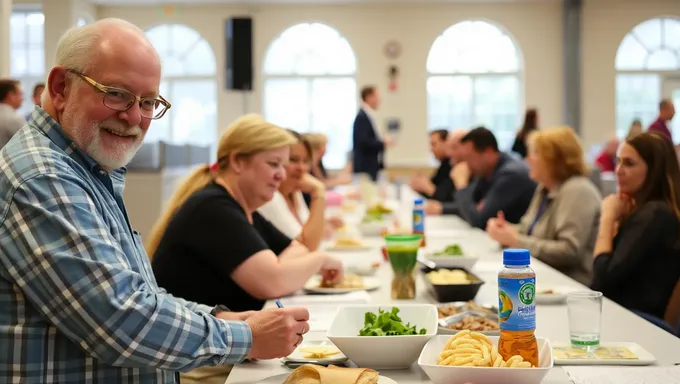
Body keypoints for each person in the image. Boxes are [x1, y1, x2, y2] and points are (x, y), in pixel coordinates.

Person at [0, 19, 310, 382]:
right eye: (115, 93)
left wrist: (220, 319)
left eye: (148, 102)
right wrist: (248, 337)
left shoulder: (87, 170)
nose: (133, 117)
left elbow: (140, 295)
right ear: (60, 87)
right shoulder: (44, 178)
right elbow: (120, 320)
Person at [487, 127, 601, 285]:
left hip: (569, 284)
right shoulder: (545, 188)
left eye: (535, 153)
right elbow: (529, 229)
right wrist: (506, 229)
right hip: (545, 277)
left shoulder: (577, 190)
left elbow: (569, 251)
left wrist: (515, 240)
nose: (528, 159)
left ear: (555, 159)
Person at [591, 132, 680, 319]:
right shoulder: (647, 210)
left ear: (654, 171)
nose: (618, 170)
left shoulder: (655, 214)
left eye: (629, 163)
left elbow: (602, 280)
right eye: (618, 161)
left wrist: (607, 219)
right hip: (624, 315)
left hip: (636, 322)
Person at [257, 130, 335, 250]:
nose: (301, 168)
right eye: (293, 160)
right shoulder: (270, 198)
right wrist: (319, 192)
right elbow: (307, 248)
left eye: (305, 161)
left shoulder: (295, 191)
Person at [453, 127, 536, 229]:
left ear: (488, 152)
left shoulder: (511, 174)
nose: (466, 164)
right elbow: (470, 207)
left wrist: (461, 186)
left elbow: (479, 221)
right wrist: (442, 209)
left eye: (470, 157)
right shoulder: (486, 170)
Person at [352, 85, 394, 181]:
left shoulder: (368, 115)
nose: (379, 100)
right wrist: (383, 142)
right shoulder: (362, 117)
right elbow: (364, 141)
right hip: (366, 167)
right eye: (377, 97)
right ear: (369, 97)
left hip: (372, 166)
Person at [423, 129, 467, 215]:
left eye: (454, 147)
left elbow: (472, 210)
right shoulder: (448, 165)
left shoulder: (477, 172)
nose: (449, 153)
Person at [410, 129, 454, 203]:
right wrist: (420, 185)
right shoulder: (444, 165)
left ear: (446, 143)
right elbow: (432, 189)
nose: (431, 150)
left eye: (434, 144)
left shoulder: (453, 166)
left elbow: (446, 199)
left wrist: (427, 187)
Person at [0, 79, 26, 149]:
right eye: (21, 94)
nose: (23, 99)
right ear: (11, 96)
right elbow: (27, 145)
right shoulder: (15, 119)